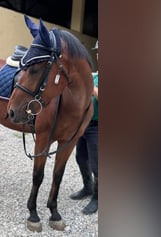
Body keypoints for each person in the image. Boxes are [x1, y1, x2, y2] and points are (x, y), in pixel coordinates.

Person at [70, 40, 98, 214]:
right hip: (84, 124)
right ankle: (87, 187)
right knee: (81, 158)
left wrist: (89, 85)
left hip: (99, 126)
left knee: (97, 165)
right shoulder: (94, 75)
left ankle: (97, 198)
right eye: (99, 51)